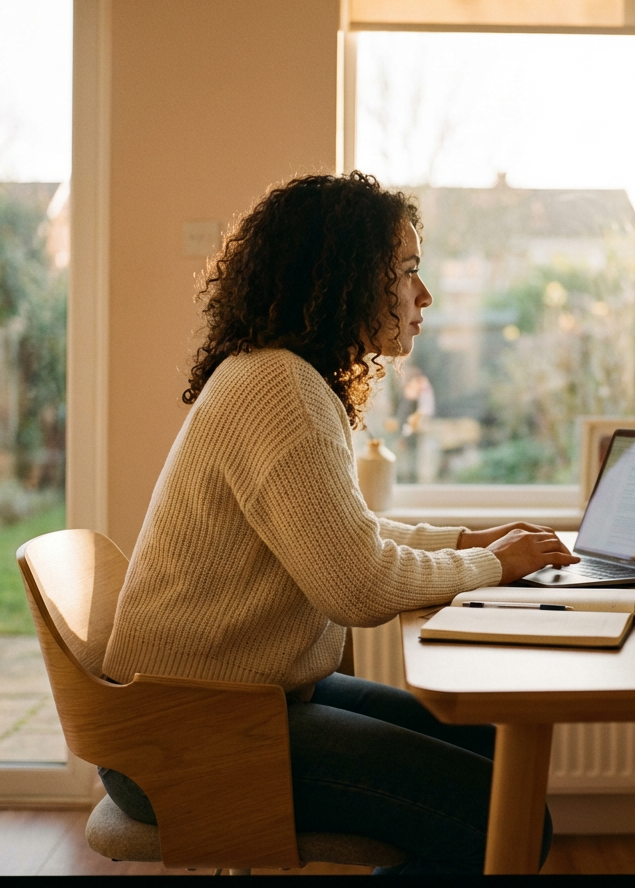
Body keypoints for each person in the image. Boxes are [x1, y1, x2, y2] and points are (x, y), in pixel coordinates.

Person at [99, 172, 579, 874]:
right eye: (408, 271)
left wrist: (465, 543)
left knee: (490, 750)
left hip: (233, 705)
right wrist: (494, 565)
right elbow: (356, 587)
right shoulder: (280, 387)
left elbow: (347, 534)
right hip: (187, 733)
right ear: (348, 278)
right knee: (504, 819)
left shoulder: (279, 375)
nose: (425, 295)